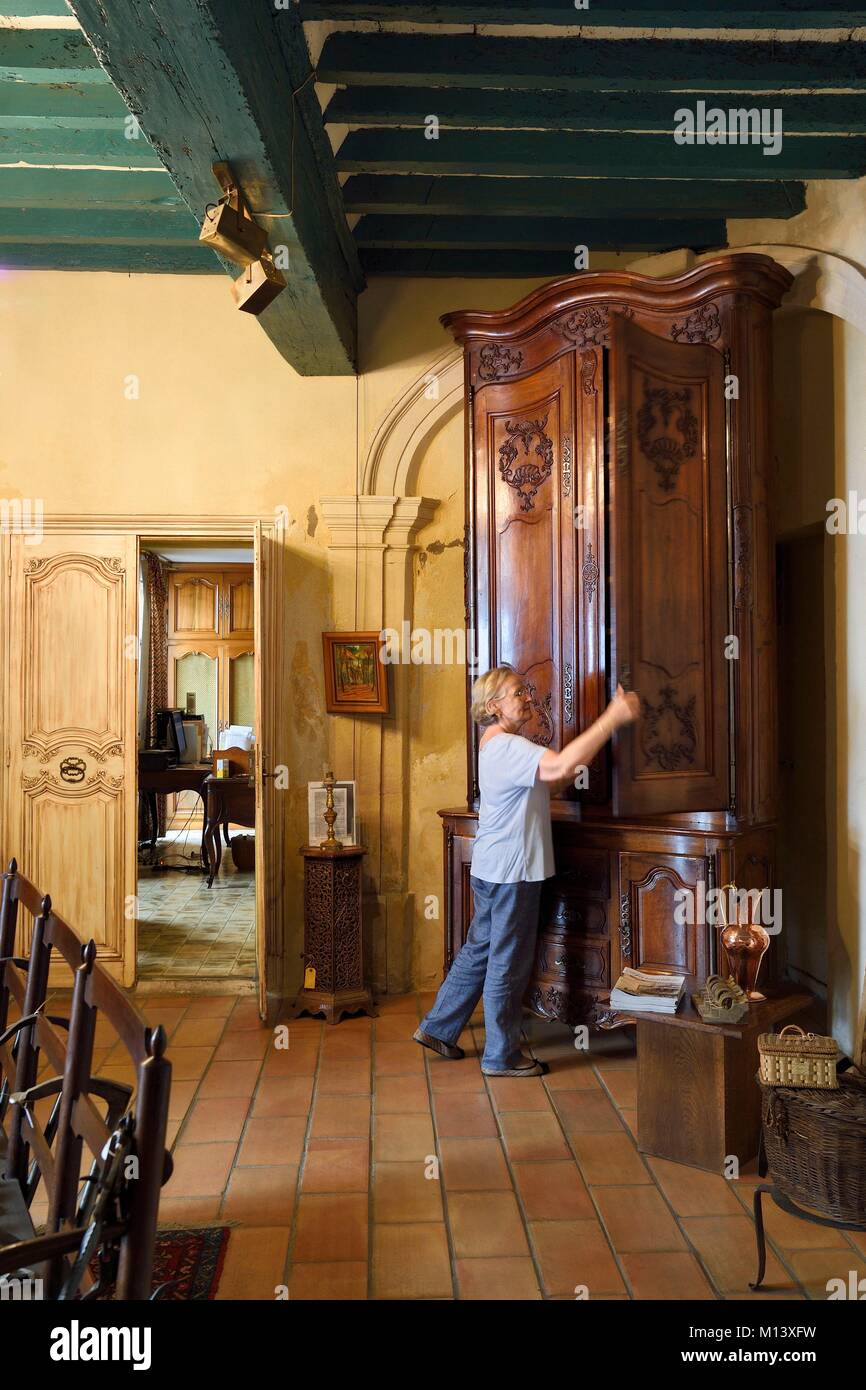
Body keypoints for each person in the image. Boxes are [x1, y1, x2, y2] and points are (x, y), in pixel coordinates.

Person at [414, 666, 640, 1077]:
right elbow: (555, 769)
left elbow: (550, 778)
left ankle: (438, 1027)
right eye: (519, 692)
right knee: (507, 961)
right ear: (493, 704)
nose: (529, 698)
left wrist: (567, 766)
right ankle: (501, 1056)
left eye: (528, 692)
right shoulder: (508, 748)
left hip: (494, 868)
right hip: (512, 871)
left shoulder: (499, 745)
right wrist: (614, 716)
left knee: (480, 950)